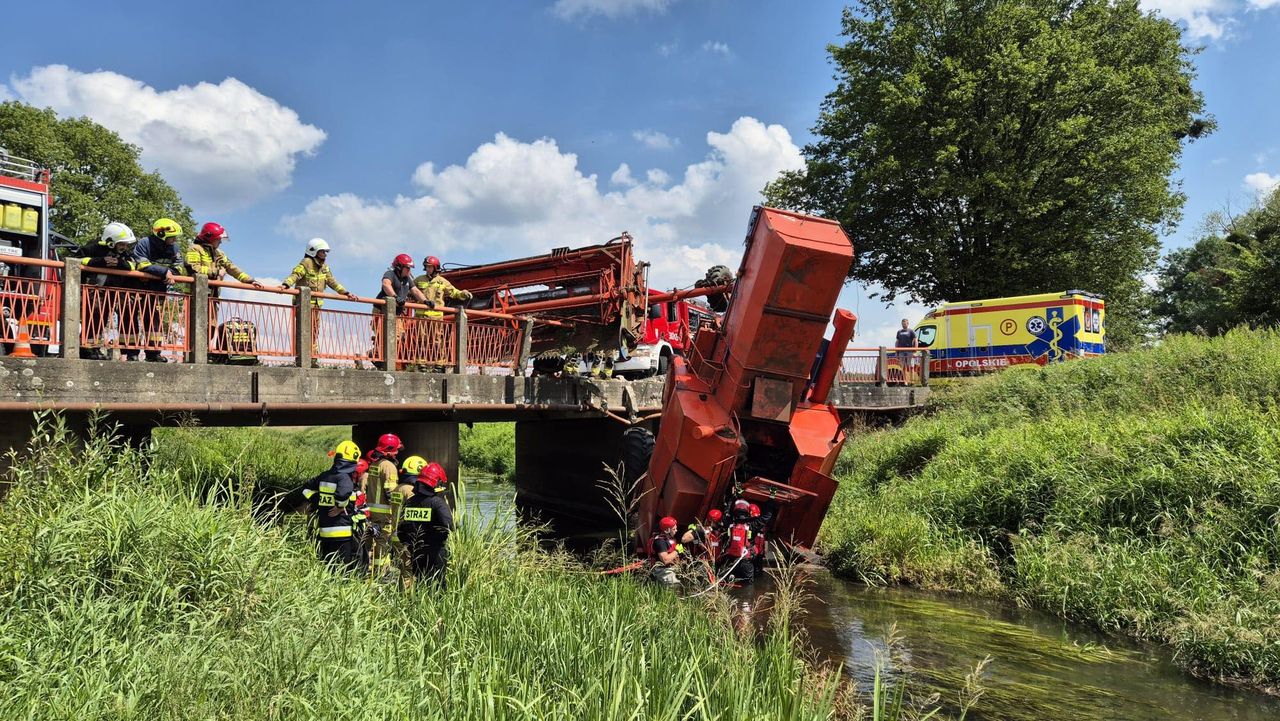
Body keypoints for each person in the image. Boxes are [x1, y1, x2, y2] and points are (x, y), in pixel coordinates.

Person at [279, 238, 358, 365]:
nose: (325, 255)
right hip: (303, 306)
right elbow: (295, 275)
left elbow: (332, 281)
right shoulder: (306, 263)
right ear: (313, 251)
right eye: (322, 252)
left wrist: (345, 293)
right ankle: (303, 359)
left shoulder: (324, 268)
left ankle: (312, 358)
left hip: (316, 306)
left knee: (314, 332)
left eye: (326, 252)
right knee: (304, 331)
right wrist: (285, 285)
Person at [79, 222, 141, 360]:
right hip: (97, 290)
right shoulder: (93, 247)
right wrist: (100, 262)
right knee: (95, 317)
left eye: (126, 244)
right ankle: (88, 350)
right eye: (121, 244)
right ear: (111, 241)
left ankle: (131, 352)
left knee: (129, 316)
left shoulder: (125, 253)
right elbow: (78, 260)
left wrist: (120, 264)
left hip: (118, 291)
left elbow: (133, 264)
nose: (124, 247)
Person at [300, 440, 361, 571]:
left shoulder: (324, 476)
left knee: (328, 567)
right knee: (343, 569)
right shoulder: (344, 477)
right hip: (342, 531)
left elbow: (305, 489)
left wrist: (315, 499)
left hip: (324, 530)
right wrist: (340, 506)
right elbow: (344, 492)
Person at [130, 218, 183, 362]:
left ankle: (153, 353)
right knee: (129, 318)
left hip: (158, 290)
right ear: (161, 234)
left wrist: (168, 273)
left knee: (154, 321)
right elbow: (141, 264)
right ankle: (130, 353)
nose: (174, 239)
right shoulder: (144, 243)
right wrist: (164, 271)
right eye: (172, 237)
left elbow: (178, 267)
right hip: (137, 288)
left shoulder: (174, 248)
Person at [397, 461, 454, 587]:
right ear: (436, 482)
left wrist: (410, 545)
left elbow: (400, 530)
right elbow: (450, 526)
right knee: (438, 586)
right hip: (435, 552)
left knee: (420, 583)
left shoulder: (409, 502)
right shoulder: (437, 503)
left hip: (416, 552)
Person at [413, 255, 472, 371]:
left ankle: (439, 364)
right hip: (421, 316)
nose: (428, 268)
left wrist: (463, 294)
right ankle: (421, 363)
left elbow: (454, 292)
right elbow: (410, 290)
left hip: (436, 317)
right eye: (426, 266)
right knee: (421, 340)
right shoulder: (419, 280)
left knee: (437, 341)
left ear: (435, 268)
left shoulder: (442, 282)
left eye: (430, 266)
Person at [375, 254, 427, 370]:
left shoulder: (407, 279)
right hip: (381, 310)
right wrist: (395, 296)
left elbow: (415, 291)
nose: (409, 271)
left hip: (396, 313)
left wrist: (426, 301)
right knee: (382, 334)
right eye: (407, 268)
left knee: (397, 337)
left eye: (410, 269)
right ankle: (378, 357)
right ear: (399, 267)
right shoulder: (390, 274)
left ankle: (379, 357)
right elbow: (386, 284)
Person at [185, 222, 263, 297]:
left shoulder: (219, 253)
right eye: (218, 239)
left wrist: (250, 280)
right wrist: (216, 272)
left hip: (213, 295)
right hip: (195, 294)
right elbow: (192, 267)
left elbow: (232, 268)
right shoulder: (195, 249)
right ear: (210, 238)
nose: (220, 242)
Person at [720, 500, 755, 584]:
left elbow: (725, 515)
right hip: (745, 559)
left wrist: (731, 500)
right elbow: (764, 519)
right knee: (748, 583)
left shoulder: (729, 525)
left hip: (730, 559)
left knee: (724, 580)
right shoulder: (752, 526)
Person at [648, 516, 682, 587]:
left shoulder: (669, 539)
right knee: (674, 586)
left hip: (671, 568)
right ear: (667, 530)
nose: (676, 530)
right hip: (662, 570)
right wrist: (677, 551)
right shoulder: (660, 542)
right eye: (674, 529)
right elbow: (665, 560)